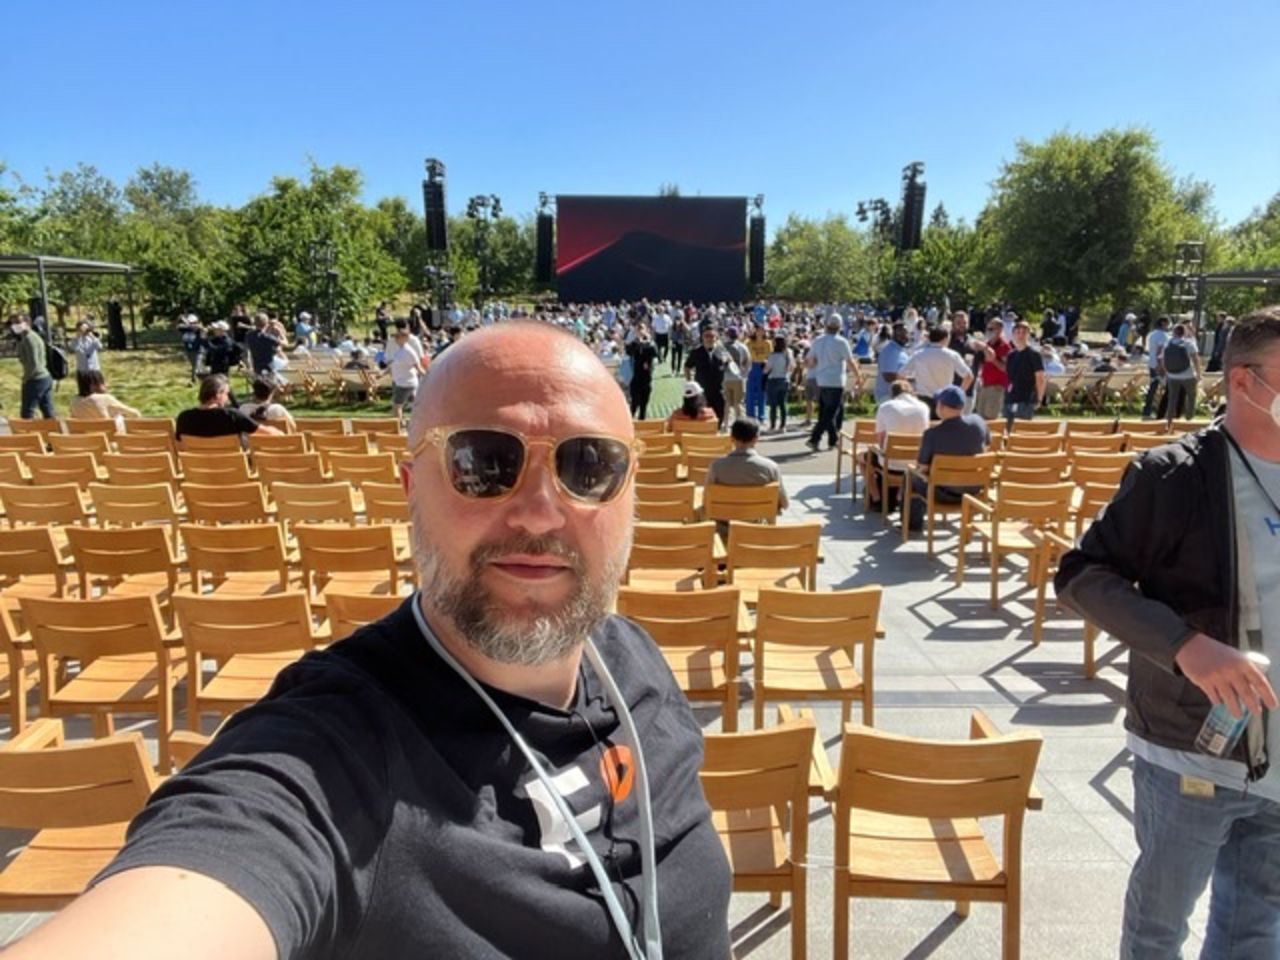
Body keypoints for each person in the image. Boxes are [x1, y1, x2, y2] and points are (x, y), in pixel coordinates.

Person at [7, 323, 733, 960]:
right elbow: (201, 881)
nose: (540, 510)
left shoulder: (638, 661)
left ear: (629, 494)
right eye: (484, 462)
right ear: (409, 485)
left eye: (590, 466)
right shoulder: (332, 753)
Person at [1055, 305, 1280, 959]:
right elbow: (1081, 576)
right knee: (1158, 930)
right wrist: (1183, 644)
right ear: (1245, 382)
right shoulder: (1173, 475)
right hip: (1192, 752)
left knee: (1256, 931)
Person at [905, 386, 989, 531]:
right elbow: (987, 447)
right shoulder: (979, 422)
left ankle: (912, 525)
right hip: (975, 489)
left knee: (910, 476)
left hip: (943, 493)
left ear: (941, 407)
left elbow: (922, 468)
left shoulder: (932, 434)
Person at [704, 418, 789, 534]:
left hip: (724, 527)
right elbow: (785, 503)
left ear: (731, 438)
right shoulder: (771, 467)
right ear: (756, 439)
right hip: (755, 525)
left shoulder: (716, 466)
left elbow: (706, 499)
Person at [859, 381, 929, 510]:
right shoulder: (924, 407)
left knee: (862, 458)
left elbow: (880, 439)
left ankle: (876, 497)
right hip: (915, 464)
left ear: (892, 394)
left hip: (890, 463)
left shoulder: (886, 406)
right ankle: (899, 495)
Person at [805, 313, 860, 453]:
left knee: (826, 410)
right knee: (830, 412)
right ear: (839, 327)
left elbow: (810, 361)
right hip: (836, 380)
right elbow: (849, 361)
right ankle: (815, 438)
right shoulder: (841, 342)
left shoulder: (818, 340)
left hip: (821, 379)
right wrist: (858, 376)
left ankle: (832, 439)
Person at [175, 374, 281, 442]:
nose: (228, 398)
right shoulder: (231, 416)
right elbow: (269, 434)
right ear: (218, 395)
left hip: (197, 470)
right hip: (235, 469)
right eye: (227, 394)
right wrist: (279, 432)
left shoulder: (184, 417)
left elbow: (180, 446)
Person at [901, 327, 974, 418]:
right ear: (945, 338)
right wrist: (959, 392)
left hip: (922, 399)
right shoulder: (952, 355)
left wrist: (911, 391)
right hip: (946, 400)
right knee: (944, 429)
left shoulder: (918, 354)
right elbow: (969, 376)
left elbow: (901, 374)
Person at [10, 313, 54, 419]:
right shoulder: (26, 338)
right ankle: (52, 432)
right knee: (47, 410)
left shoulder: (30, 339)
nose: (15, 326)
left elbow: (34, 363)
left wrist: (26, 379)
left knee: (27, 412)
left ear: (27, 323)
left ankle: (28, 434)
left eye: (18, 322)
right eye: (13, 323)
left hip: (36, 378)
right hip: (43, 377)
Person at [684, 326, 729, 427]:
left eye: (712, 336)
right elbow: (687, 367)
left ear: (716, 337)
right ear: (702, 337)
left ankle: (716, 435)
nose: (709, 338)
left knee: (719, 416)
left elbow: (729, 364)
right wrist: (690, 382)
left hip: (719, 390)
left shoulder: (722, 351)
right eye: (707, 336)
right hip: (702, 392)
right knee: (702, 417)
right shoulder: (696, 352)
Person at [1161, 322, 1202, 427]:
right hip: (1187, 374)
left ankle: (1169, 420)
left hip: (1172, 375)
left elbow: (1163, 359)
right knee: (1191, 396)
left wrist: (1167, 372)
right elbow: (1196, 359)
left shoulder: (1168, 343)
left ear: (1174, 332)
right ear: (1184, 332)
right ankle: (1189, 418)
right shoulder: (1189, 343)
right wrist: (1198, 373)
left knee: (1172, 398)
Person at [1003, 321, 1046, 424]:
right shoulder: (1011, 355)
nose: (1020, 335)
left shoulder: (1034, 354)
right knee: (1006, 432)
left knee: (1021, 433)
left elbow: (1040, 377)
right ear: (1013, 334)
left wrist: (1039, 398)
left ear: (1028, 335)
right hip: (1010, 399)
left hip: (1026, 400)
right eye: (1018, 332)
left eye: (1024, 332)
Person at [387, 325, 427, 422]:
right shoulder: (399, 350)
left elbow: (418, 367)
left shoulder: (409, 352)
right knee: (415, 406)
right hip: (402, 381)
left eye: (398, 337)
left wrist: (428, 377)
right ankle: (415, 423)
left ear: (405, 338)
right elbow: (393, 365)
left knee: (397, 406)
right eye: (395, 337)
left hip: (405, 383)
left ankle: (398, 426)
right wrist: (381, 374)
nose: (395, 339)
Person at [69, 369, 141, 421]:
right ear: (94, 385)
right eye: (102, 382)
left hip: (84, 441)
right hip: (109, 440)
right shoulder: (104, 399)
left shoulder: (74, 401)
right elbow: (135, 414)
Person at [975, 319, 1012, 420]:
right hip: (984, 385)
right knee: (980, 416)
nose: (989, 331)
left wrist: (993, 359)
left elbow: (1006, 368)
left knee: (990, 417)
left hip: (996, 387)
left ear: (1000, 329)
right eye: (988, 328)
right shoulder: (987, 345)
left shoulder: (1005, 347)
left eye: (992, 329)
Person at [625, 325, 659, 420]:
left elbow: (655, 353)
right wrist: (637, 342)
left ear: (646, 330)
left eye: (642, 329)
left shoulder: (651, 343)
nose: (640, 331)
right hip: (636, 378)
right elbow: (629, 351)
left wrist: (646, 342)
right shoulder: (635, 343)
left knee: (643, 406)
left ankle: (641, 423)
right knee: (634, 403)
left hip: (647, 378)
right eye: (638, 329)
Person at [873, 322, 912, 405]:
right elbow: (888, 376)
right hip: (889, 397)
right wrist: (912, 380)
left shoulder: (901, 351)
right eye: (900, 332)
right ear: (893, 334)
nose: (904, 335)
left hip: (899, 396)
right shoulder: (889, 351)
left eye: (905, 332)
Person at [1141, 316, 1172, 419]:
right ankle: (1162, 411)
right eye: (1168, 323)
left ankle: (1147, 411)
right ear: (1163, 323)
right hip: (1160, 365)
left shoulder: (1152, 334)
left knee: (1153, 388)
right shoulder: (1163, 336)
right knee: (1167, 388)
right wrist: (1161, 366)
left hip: (1151, 364)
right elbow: (1160, 351)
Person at [719, 327, 750, 426]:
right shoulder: (743, 347)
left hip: (725, 378)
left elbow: (719, 362)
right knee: (738, 403)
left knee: (727, 403)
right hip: (738, 378)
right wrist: (744, 374)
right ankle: (739, 424)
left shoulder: (722, 347)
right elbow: (748, 362)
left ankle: (725, 425)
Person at [764, 335, 794, 432]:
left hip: (773, 379)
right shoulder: (788, 355)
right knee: (782, 404)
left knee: (773, 405)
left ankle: (772, 426)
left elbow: (767, 370)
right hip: (784, 379)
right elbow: (791, 368)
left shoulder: (773, 355)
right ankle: (783, 426)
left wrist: (764, 366)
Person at [70, 319, 103, 396]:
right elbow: (74, 348)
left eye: (86, 329)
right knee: (85, 392)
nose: (84, 331)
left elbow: (100, 347)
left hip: (94, 369)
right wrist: (79, 336)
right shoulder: (76, 341)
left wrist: (92, 336)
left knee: (99, 391)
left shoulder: (92, 340)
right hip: (82, 370)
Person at [245, 312, 284, 378]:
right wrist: (280, 332)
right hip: (269, 366)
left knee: (261, 385)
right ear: (266, 323)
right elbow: (285, 343)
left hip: (256, 365)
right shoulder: (267, 336)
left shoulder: (249, 335)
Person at [744, 325, 770, 421]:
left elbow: (770, 356)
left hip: (763, 367)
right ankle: (750, 414)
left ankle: (761, 414)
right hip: (751, 366)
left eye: (762, 330)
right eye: (758, 330)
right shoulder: (749, 343)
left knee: (762, 392)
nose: (759, 332)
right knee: (750, 391)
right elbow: (745, 355)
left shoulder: (767, 343)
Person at [178, 313, 205, 385]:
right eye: (191, 322)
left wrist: (196, 326)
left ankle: (193, 381)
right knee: (196, 366)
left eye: (194, 322)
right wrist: (185, 322)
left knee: (196, 366)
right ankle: (204, 378)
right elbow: (179, 326)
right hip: (189, 351)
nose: (193, 324)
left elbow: (202, 329)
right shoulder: (185, 328)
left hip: (198, 350)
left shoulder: (199, 329)